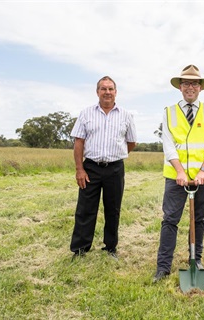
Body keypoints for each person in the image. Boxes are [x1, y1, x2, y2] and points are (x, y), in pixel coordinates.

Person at [153, 65, 204, 283]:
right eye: (186, 83)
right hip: (176, 177)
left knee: (198, 219)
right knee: (170, 220)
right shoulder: (168, 112)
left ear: (200, 87)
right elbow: (168, 145)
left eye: (194, 83)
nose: (190, 87)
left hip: (202, 177)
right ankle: (163, 267)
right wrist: (180, 171)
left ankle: (196, 259)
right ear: (180, 87)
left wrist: (203, 170)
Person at [70, 76, 137, 260]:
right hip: (90, 168)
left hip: (115, 169)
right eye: (103, 89)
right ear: (97, 92)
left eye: (110, 89)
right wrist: (79, 169)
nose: (107, 92)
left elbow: (131, 142)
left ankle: (110, 248)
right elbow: (79, 141)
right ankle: (80, 250)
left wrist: (117, 154)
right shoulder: (86, 114)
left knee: (113, 209)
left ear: (116, 92)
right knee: (85, 209)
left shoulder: (125, 115)